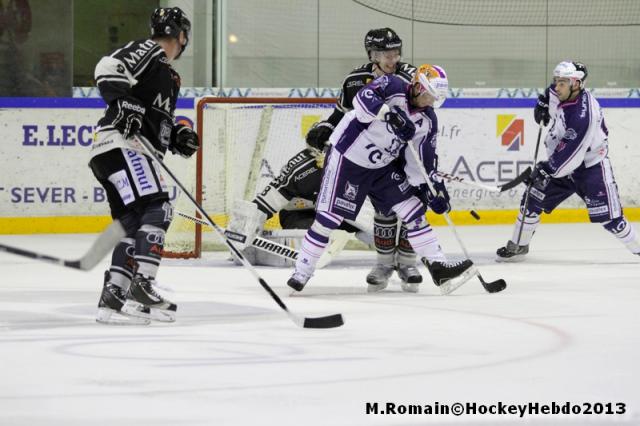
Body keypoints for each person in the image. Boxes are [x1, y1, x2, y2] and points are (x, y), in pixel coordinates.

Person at [287, 64, 475, 293]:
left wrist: (433, 189)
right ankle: (302, 272)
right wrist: (389, 114)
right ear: (417, 86)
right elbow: (361, 101)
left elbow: (421, 163)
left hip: (382, 166)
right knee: (329, 218)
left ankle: (438, 265)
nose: (431, 101)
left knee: (413, 208)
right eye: (429, 95)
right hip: (348, 159)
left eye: (436, 98)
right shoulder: (393, 85)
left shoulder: (427, 120)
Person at [90, 7, 199, 324]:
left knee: (134, 222)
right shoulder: (150, 50)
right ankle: (144, 283)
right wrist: (124, 103)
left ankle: (113, 298)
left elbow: (155, 116)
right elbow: (108, 67)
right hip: (123, 144)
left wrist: (177, 135)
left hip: (118, 150)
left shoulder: (170, 76)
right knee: (159, 208)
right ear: (180, 35)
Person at [305, 27, 423, 291]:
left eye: (395, 52)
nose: (391, 58)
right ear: (372, 54)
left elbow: (425, 114)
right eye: (384, 53)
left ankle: (408, 263)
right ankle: (383, 264)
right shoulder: (355, 80)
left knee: (410, 206)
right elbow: (339, 119)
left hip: (404, 151)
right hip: (371, 155)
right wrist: (324, 127)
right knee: (384, 209)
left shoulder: (411, 77)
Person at [496, 61, 640, 261]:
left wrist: (547, 169)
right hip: (561, 164)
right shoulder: (562, 91)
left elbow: (573, 154)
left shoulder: (583, 115)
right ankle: (519, 245)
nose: (557, 86)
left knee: (611, 220)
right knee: (532, 199)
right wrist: (543, 103)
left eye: (562, 82)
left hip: (590, 167)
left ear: (577, 84)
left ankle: (638, 248)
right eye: (556, 81)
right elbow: (549, 94)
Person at [226, 134, 373, 267]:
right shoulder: (302, 169)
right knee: (309, 238)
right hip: (301, 215)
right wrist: (241, 227)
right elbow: (269, 199)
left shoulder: (361, 161)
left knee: (382, 231)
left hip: (339, 212)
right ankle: (257, 251)